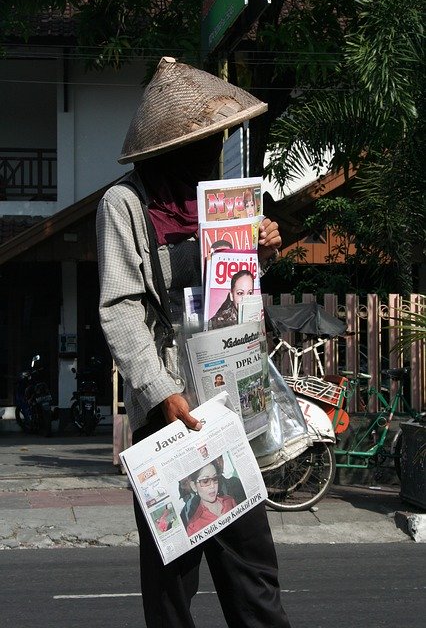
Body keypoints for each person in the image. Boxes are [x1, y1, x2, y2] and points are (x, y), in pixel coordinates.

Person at [97, 56, 291, 628]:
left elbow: (233, 290)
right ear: (169, 147)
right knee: (172, 583)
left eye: (219, 139)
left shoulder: (225, 200)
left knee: (251, 570)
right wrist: (161, 392)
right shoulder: (125, 205)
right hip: (169, 415)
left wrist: (264, 249)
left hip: (227, 405)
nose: (213, 151)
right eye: (202, 142)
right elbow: (121, 306)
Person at [185, 460, 236, 536]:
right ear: (194, 486)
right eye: (205, 481)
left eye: (215, 479)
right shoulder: (193, 526)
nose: (212, 486)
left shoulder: (229, 501)